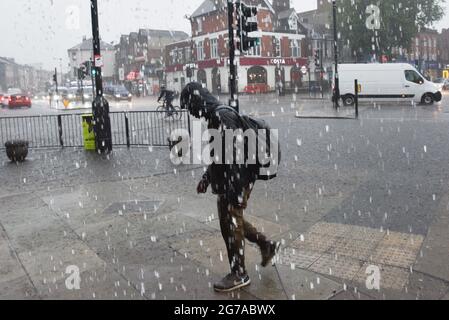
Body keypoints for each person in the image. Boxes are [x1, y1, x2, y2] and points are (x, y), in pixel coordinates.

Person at [180, 82, 280, 293]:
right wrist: (208, 177)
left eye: (190, 107)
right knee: (233, 220)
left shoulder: (221, 116)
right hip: (232, 179)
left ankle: (239, 273)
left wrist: (234, 189)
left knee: (230, 222)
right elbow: (220, 154)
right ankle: (266, 245)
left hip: (237, 179)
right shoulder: (215, 115)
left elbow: (233, 155)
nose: (191, 113)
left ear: (196, 100)